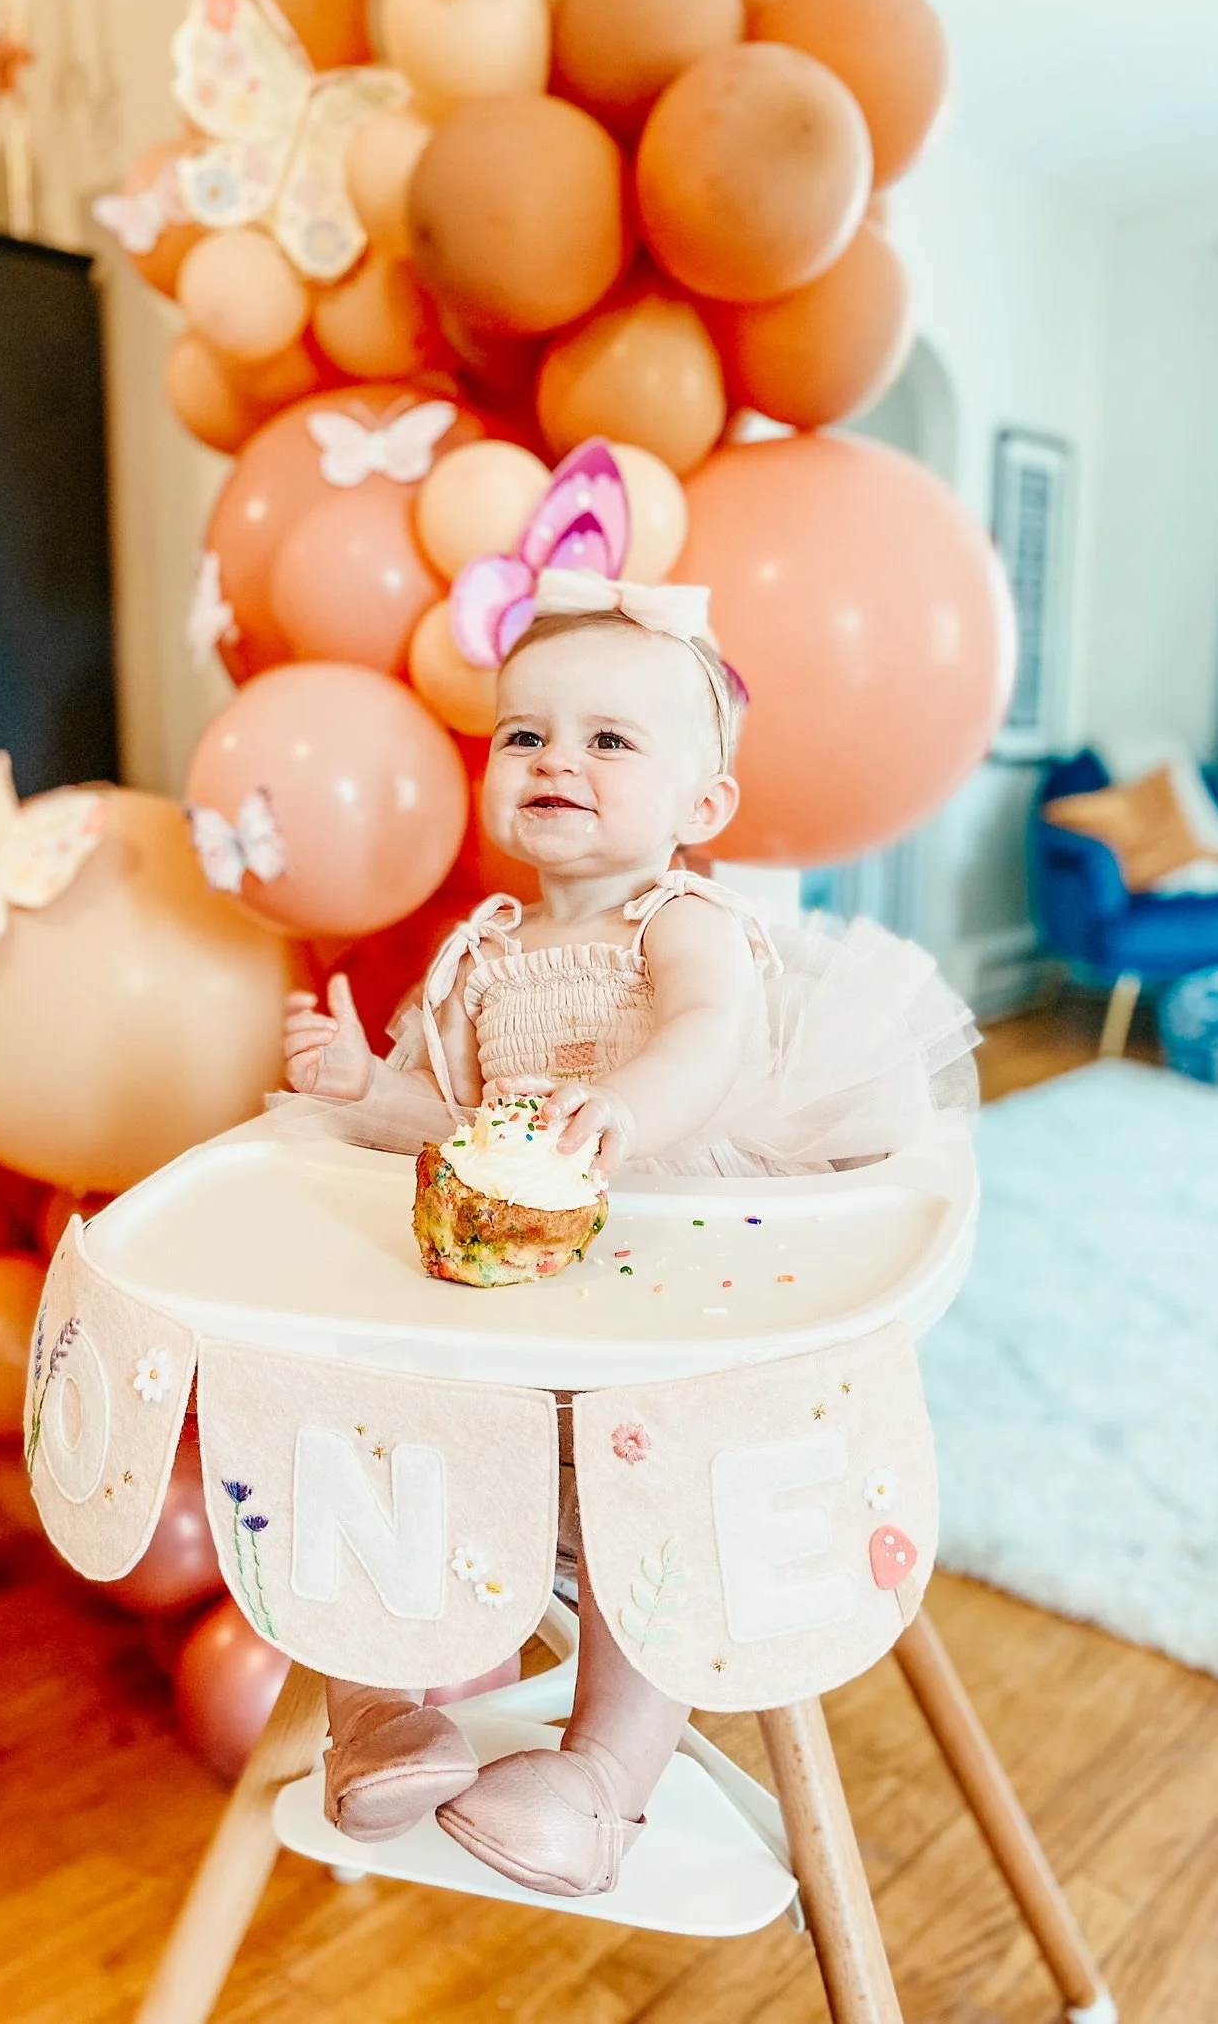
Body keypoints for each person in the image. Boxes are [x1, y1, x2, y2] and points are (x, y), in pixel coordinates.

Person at [280, 567, 976, 1897]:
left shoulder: (683, 923)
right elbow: (459, 1117)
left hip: (663, 1259)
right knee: (372, 1419)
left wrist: (631, 1109)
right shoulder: (482, 951)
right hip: (518, 1270)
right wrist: (366, 1088)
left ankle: (603, 1779)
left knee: (652, 1486)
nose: (558, 761)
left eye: (609, 739)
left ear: (701, 808)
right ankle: (377, 1711)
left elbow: (709, 1038)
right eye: (526, 734)